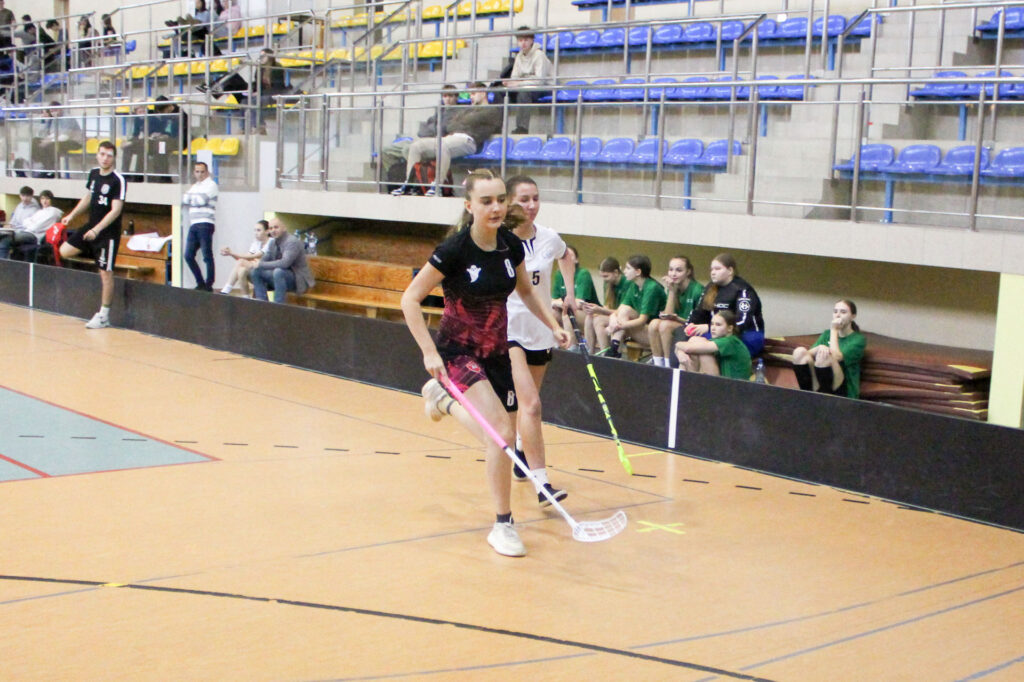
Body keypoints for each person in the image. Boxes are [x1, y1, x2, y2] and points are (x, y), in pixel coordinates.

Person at [400, 168, 571, 558]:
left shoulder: (510, 244)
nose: (496, 208)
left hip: (497, 352)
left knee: (500, 439)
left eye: (500, 200)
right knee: (501, 433)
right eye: (486, 201)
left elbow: (526, 291)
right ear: (469, 205)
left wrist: (552, 324)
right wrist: (428, 351)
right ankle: (503, 524)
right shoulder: (455, 250)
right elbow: (410, 299)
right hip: (458, 351)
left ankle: (443, 400)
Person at [503, 175, 575, 503]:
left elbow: (567, 255)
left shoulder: (548, 238)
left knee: (528, 404)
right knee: (531, 405)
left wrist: (569, 293)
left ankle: (521, 450)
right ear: (509, 202)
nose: (531, 205)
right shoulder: (500, 241)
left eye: (535, 198)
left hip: (542, 330)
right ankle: (542, 484)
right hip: (508, 331)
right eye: (523, 199)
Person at [58, 141, 127, 330]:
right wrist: (72, 215)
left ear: (114, 158)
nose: (105, 158)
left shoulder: (118, 180)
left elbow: (116, 210)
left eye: (109, 155)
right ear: (97, 155)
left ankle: (104, 315)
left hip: (107, 234)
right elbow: (89, 197)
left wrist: (97, 230)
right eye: (102, 154)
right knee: (64, 250)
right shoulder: (94, 174)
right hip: (90, 227)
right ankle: (96, 254)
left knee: (106, 273)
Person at [391, 83, 502, 197]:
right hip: (451, 138)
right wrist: (464, 122)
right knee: (416, 147)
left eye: (473, 94)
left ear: (483, 93)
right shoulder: (467, 110)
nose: (471, 97)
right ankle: (411, 184)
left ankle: (437, 186)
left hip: (468, 141)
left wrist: (461, 122)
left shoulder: (492, 110)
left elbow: (469, 122)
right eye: (470, 95)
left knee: (442, 146)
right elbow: (450, 126)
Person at [677, 252, 765, 357]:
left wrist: (709, 327)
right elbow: (699, 313)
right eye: (711, 269)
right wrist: (690, 325)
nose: (713, 273)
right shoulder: (710, 287)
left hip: (747, 336)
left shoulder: (743, 290)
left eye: (718, 269)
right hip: (718, 333)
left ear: (730, 271)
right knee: (687, 337)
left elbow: (742, 322)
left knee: (699, 346)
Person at [381, 85, 460, 187]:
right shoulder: (439, 110)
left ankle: (415, 182)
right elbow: (423, 130)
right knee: (386, 151)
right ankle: (397, 178)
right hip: (422, 138)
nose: (447, 99)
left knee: (407, 149)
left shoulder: (458, 112)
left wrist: (431, 130)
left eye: (450, 96)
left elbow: (444, 130)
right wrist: (430, 130)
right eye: (445, 96)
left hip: (435, 142)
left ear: (456, 97)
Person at [593, 254, 667, 359]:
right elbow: (620, 309)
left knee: (623, 316)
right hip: (638, 328)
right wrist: (613, 319)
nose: (624, 271)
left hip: (654, 334)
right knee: (623, 310)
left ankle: (613, 352)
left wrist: (618, 326)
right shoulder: (634, 285)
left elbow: (642, 320)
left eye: (628, 268)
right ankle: (610, 353)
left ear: (638, 272)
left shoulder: (652, 287)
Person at [792, 300, 866, 399]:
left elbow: (837, 357)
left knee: (824, 357)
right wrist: (819, 347)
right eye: (835, 311)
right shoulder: (827, 334)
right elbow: (807, 355)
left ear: (853, 316)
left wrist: (834, 330)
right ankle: (806, 396)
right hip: (819, 384)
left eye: (843, 312)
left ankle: (823, 400)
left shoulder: (858, 339)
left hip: (844, 389)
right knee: (799, 352)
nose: (838, 315)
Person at [648, 255, 703, 367]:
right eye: (671, 269)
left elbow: (697, 323)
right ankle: (658, 363)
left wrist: (676, 318)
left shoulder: (697, 290)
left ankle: (668, 365)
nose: (673, 274)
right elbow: (668, 315)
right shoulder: (673, 287)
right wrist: (672, 292)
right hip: (675, 325)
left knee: (665, 326)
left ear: (688, 272)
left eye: (679, 270)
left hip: (691, 329)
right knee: (654, 324)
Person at [249, 217, 315, 302]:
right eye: (271, 228)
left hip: (298, 280)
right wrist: (253, 264)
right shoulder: (272, 242)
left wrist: (260, 264)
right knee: (256, 271)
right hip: (279, 277)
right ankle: (262, 303)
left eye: (276, 227)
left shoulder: (292, 242)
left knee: (278, 271)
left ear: (284, 228)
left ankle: (278, 306)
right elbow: (264, 260)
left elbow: (285, 263)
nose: (273, 230)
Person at [674, 310, 752, 380]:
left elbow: (688, 348)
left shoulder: (730, 341)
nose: (713, 328)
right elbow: (689, 348)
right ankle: (686, 384)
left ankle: (690, 384)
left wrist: (678, 346)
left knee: (701, 348)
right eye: (712, 324)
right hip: (724, 383)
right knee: (694, 341)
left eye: (718, 325)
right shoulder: (720, 340)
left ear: (730, 328)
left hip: (734, 387)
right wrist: (680, 353)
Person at [503, 26, 552, 134]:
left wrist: (519, 83)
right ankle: (497, 127)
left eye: (526, 40)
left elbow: (540, 81)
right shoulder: (519, 57)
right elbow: (514, 77)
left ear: (532, 40)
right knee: (499, 92)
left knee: (524, 92)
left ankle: (522, 128)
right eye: (520, 40)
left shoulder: (539, 55)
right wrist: (510, 83)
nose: (523, 43)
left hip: (544, 87)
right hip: (525, 85)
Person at [578, 256, 630, 352]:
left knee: (598, 321)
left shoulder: (627, 283)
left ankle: (605, 353)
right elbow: (607, 306)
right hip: (613, 315)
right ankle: (589, 352)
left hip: (625, 318)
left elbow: (622, 312)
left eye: (606, 276)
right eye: (602, 276)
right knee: (590, 317)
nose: (604, 279)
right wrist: (594, 309)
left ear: (616, 272)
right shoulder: (608, 284)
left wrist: (600, 310)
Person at [182, 161, 219, 291]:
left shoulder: (212, 185)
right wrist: (194, 198)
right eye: (197, 171)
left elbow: (200, 200)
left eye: (202, 171)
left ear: (207, 172)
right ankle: (200, 282)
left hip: (206, 223)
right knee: (188, 255)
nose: (200, 174)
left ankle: (209, 284)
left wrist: (192, 198)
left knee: (207, 255)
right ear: (194, 172)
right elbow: (184, 199)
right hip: (194, 224)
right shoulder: (195, 186)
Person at [0, 189, 62, 260]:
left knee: (5, 240)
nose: (44, 201)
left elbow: (36, 227)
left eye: (47, 199)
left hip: (34, 236)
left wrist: (31, 223)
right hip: (25, 232)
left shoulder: (53, 212)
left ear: (51, 200)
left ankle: (2, 264)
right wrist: (31, 223)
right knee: (3, 236)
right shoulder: (40, 211)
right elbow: (25, 222)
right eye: (42, 199)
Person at [550, 244, 598, 334]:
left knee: (568, 314)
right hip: (565, 309)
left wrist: (561, 303)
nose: (567, 259)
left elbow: (579, 303)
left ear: (576, 260)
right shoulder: (559, 274)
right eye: (563, 257)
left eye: (570, 256)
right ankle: (555, 341)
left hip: (588, 313)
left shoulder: (583, 274)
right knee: (552, 313)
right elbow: (553, 300)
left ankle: (571, 342)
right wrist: (560, 304)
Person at [219, 219, 273, 295]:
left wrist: (232, 253)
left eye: (258, 230)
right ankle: (246, 298)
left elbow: (256, 256)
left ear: (267, 231)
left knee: (241, 262)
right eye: (255, 230)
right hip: (255, 268)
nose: (255, 233)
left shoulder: (271, 241)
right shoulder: (256, 242)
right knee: (241, 270)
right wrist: (230, 254)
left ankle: (226, 290)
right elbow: (246, 258)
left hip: (267, 271)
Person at [31, 102, 84, 175]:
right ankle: (44, 167)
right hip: (59, 141)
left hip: (74, 142)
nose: (53, 112)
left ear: (60, 109)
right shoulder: (54, 119)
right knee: (35, 141)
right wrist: (46, 139)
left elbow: (65, 136)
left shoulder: (67, 118)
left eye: (55, 110)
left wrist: (48, 141)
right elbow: (51, 133)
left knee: (51, 146)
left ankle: (54, 171)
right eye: (51, 111)